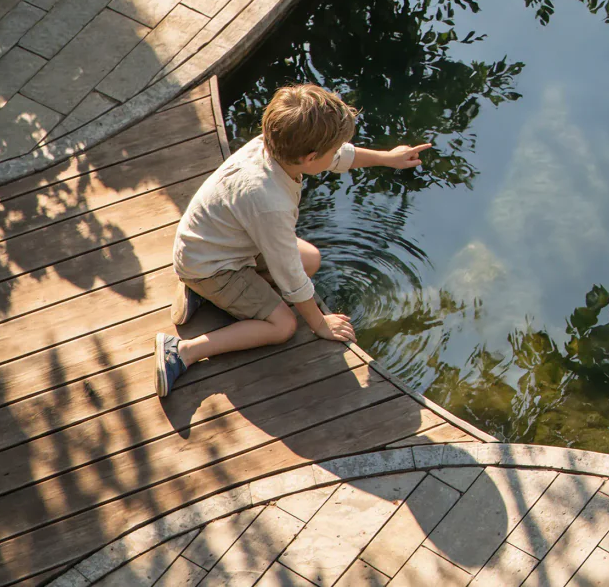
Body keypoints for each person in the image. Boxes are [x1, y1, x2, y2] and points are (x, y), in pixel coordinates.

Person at [154, 83, 431, 399]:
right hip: (211, 266)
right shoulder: (270, 202)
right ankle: (183, 351)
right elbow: (289, 276)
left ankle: (204, 294)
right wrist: (319, 324)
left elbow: (337, 157)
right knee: (283, 325)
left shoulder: (273, 147)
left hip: (216, 245)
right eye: (330, 151)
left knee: (310, 259)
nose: (336, 154)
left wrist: (387, 158)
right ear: (311, 157)